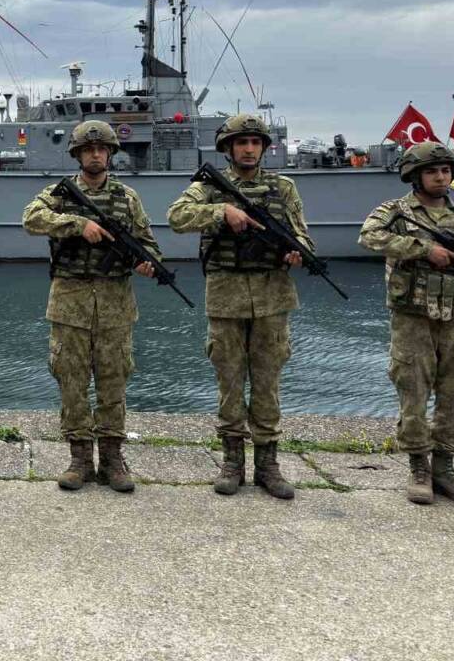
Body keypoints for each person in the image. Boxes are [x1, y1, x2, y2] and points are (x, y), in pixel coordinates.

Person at [167, 114, 309, 500]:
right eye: (241, 142)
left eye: (255, 142)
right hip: (226, 296)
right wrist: (221, 212)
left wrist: (300, 254)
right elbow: (176, 217)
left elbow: (301, 234)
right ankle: (232, 461)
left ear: (264, 147)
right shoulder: (208, 187)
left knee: (267, 383)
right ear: (228, 148)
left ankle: (268, 464)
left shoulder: (284, 188)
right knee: (229, 382)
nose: (249, 149)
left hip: (272, 297)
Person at [22, 120, 161, 493]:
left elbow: (148, 243)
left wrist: (147, 263)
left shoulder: (128, 198)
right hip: (70, 302)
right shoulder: (59, 194)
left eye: (101, 149)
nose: (96, 154)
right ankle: (79, 459)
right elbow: (31, 219)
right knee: (72, 382)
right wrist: (76, 223)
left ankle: (113, 460)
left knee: (114, 383)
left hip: (115, 303)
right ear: (78, 154)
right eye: (88, 149)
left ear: (110, 154)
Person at [358, 141, 454, 506]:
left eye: (445, 171)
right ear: (415, 176)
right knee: (413, 390)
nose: (440, 177)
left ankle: (445, 468)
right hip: (414, 317)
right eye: (432, 171)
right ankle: (419, 466)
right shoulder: (397, 211)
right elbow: (369, 236)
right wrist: (424, 249)